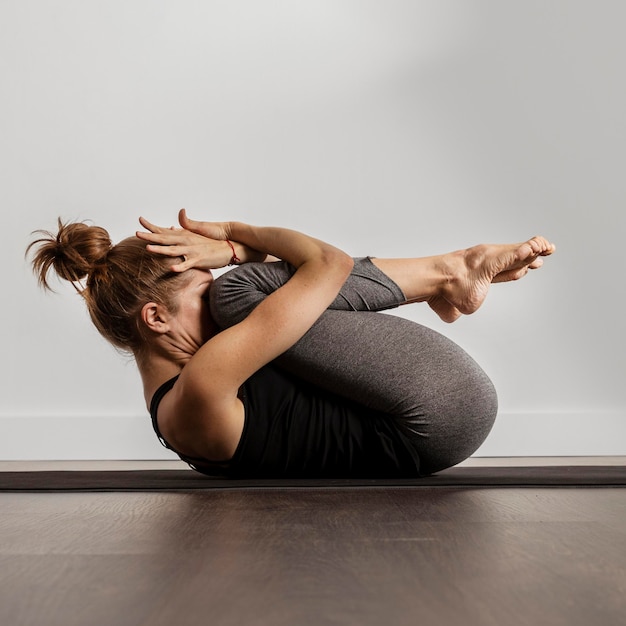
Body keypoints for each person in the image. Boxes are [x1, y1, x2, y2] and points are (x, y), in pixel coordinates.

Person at [27, 210, 555, 478]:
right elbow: (330, 265)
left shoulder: (178, 397)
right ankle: (448, 272)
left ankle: (448, 277)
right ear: (156, 318)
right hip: (438, 411)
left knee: (261, 291)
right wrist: (234, 240)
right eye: (199, 293)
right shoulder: (204, 385)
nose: (214, 299)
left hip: (434, 420)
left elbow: (315, 285)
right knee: (244, 290)